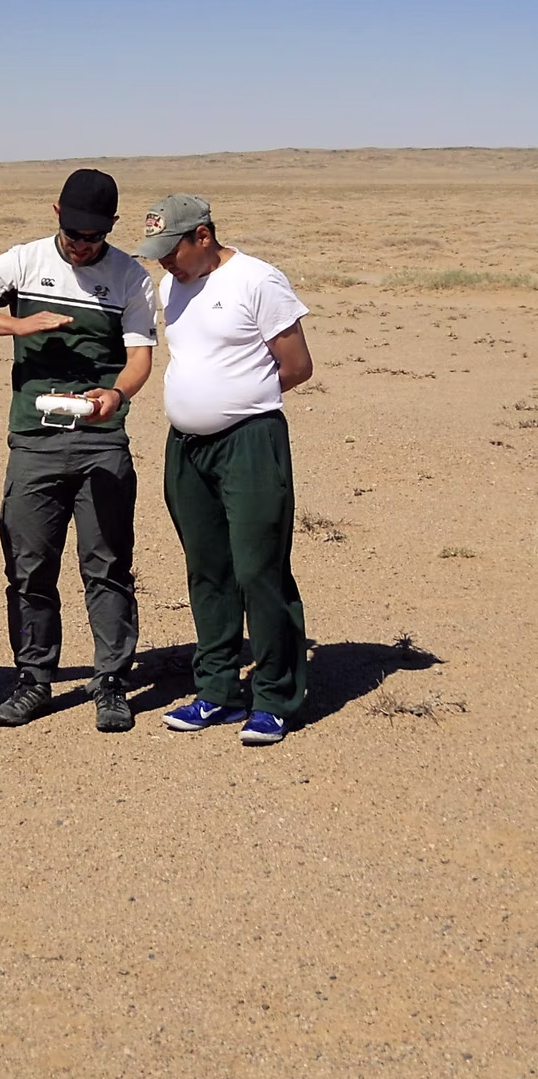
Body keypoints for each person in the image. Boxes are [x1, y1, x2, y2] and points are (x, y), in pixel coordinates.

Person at [0, 170, 156, 731]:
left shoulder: (130, 276)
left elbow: (139, 358)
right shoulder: (24, 261)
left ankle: (111, 681)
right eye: (75, 233)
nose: (83, 246)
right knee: (29, 567)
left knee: (107, 565)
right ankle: (34, 679)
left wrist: (116, 395)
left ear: (111, 226)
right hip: (34, 441)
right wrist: (16, 325)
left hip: (102, 440)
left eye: (95, 236)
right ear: (57, 213)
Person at [135, 194, 313, 746]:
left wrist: (238, 401)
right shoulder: (172, 286)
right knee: (207, 569)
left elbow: (297, 365)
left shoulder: (257, 280)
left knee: (259, 569)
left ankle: (275, 698)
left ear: (204, 236)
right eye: (158, 252)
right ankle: (216, 690)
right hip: (186, 449)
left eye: (173, 250)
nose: (165, 261)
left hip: (250, 444)